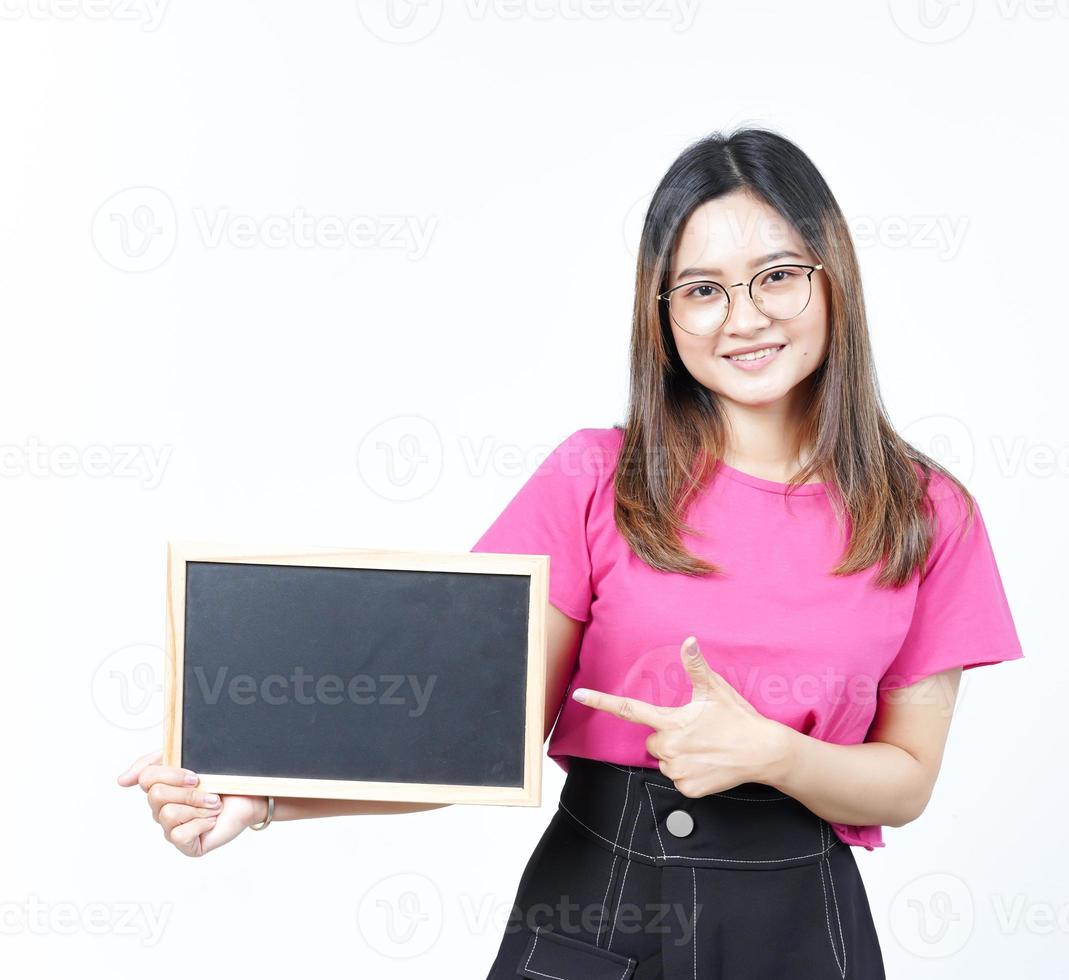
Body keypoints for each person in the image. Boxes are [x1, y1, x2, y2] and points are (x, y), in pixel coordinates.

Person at [118, 126, 1025, 979]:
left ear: (833, 281)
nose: (742, 317)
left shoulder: (925, 512)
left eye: (776, 276)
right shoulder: (596, 478)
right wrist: (263, 799)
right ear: (662, 315)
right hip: (597, 912)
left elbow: (904, 781)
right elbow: (469, 737)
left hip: (798, 926)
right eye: (701, 289)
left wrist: (771, 754)